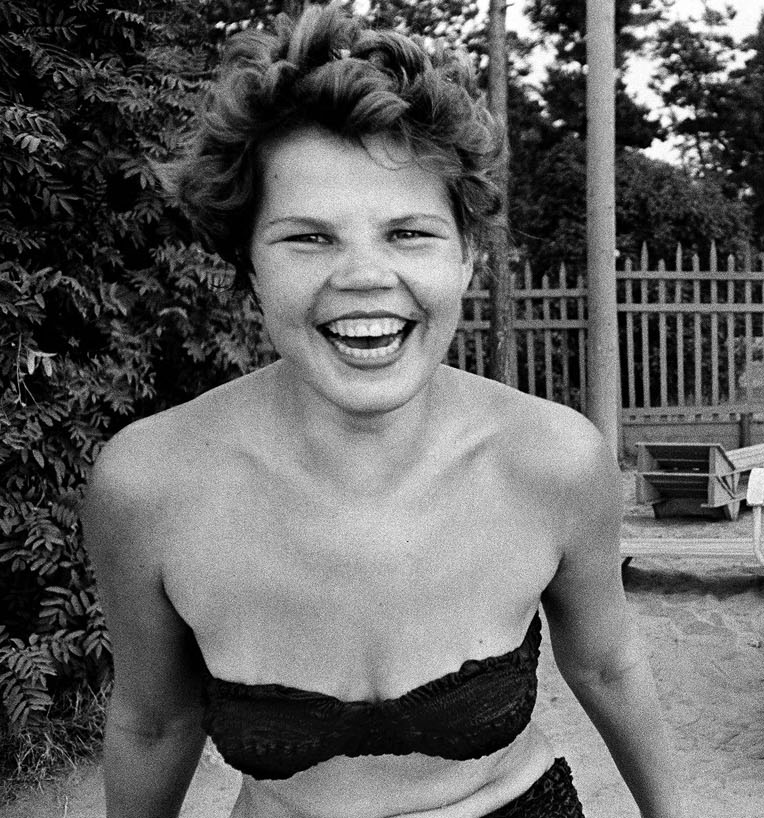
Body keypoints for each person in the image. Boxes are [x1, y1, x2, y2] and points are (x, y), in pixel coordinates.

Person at [81, 6, 682, 818]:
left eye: (408, 232)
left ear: (467, 254)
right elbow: (153, 721)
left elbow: (610, 667)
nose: (365, 276)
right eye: (308, 238)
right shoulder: (150, 485)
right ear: (247, 263)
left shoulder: (555, 460)